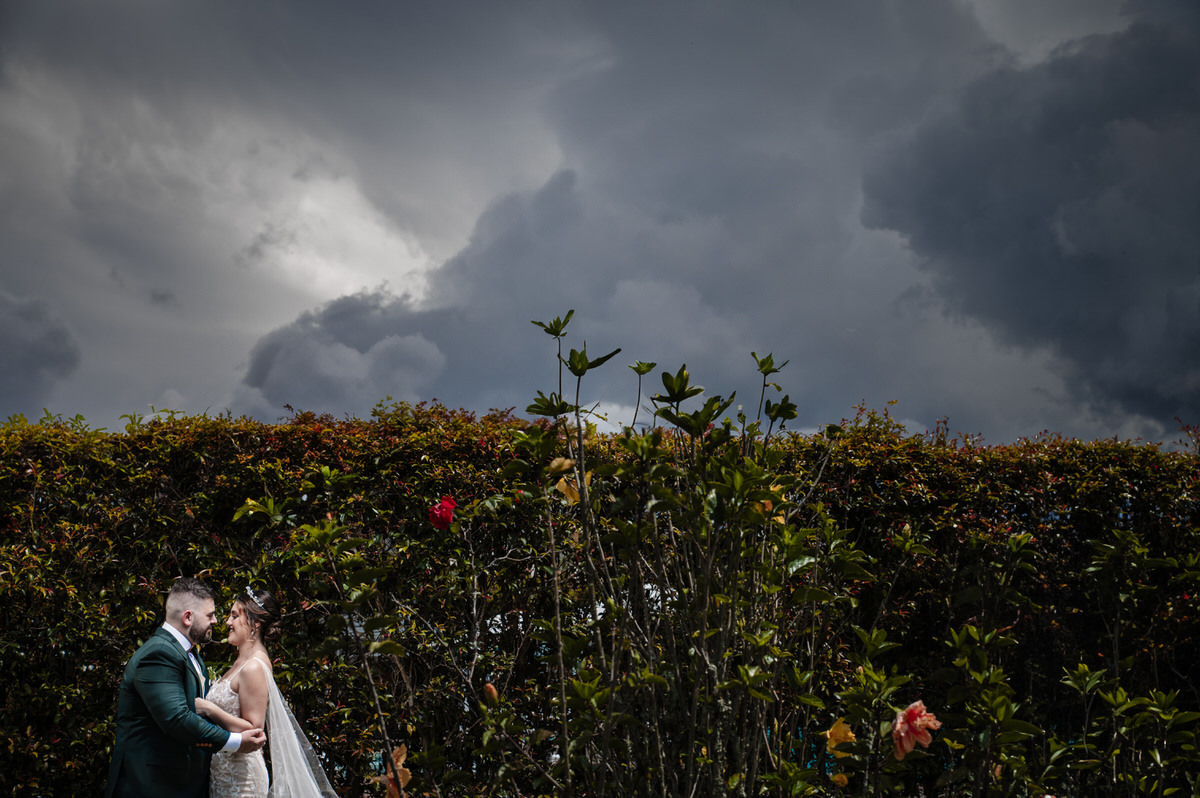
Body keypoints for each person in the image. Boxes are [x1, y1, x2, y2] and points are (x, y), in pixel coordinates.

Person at [105, 578, 267, 798]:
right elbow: (177, 719)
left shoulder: (191, 655)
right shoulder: (158, 654)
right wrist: (235, 742)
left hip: (185, 784)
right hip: (152, 785)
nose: (216, 620)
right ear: (188, 617)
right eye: (210, 615)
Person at [195, 586, 337, 798]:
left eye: (235, 616)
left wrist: (208, 708)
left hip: (241, 779)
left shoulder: (253, 667)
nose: (227, 622)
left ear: (256, 624)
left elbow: (255, 730)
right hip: (224, 772)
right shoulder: (241, 662)